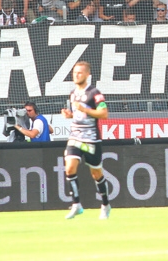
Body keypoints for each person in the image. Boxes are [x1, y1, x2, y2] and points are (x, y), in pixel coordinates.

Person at [60, 61, 111, 219]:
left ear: (88, 75)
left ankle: (105, 204)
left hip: (91, 139)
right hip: (75, 136)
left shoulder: (95, 93)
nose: (76, 75)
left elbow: (103, 114)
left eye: (80, 73)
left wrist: (85, 109)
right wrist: (70, 115)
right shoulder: (73, 93)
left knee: (96, 173)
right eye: (75, 72)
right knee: (69, 168)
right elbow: (79, 115)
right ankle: (76, 204)